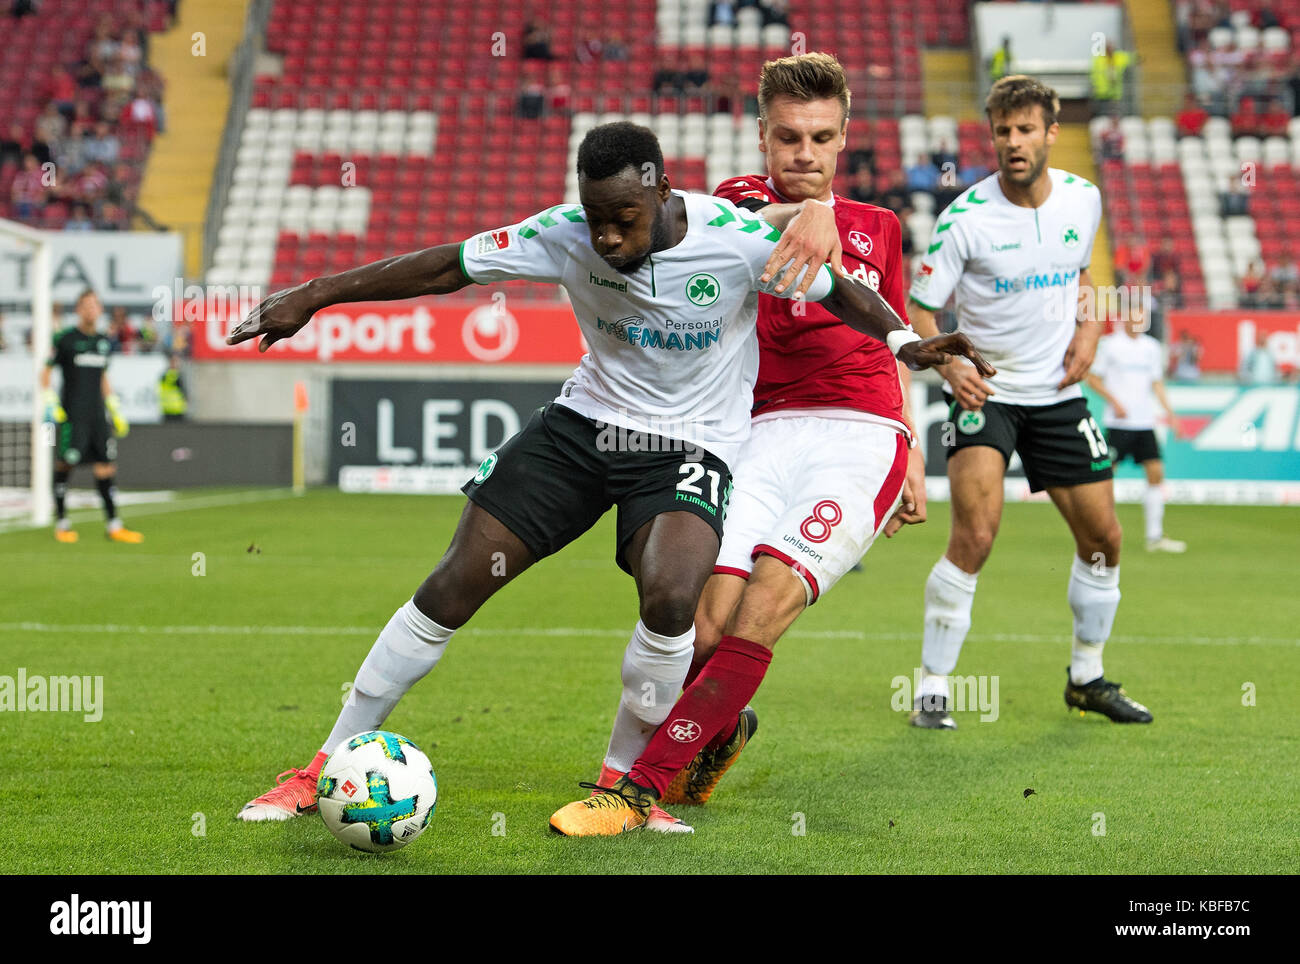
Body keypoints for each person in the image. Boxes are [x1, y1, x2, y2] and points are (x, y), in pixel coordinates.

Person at [231, 121, 984, 823]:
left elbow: (839, 289)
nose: (606, 233)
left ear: (661, 193)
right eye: (595, 215)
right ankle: (321, 764)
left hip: (691, 448)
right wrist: (314, 295)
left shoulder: (732, 238)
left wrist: (904, 344)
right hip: (584, 429)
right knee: (453, 582)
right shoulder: (563, 233)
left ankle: (623, 785)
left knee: (671, 600)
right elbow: (444, 266)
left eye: (622, 216)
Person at [549, 53, 979, 836]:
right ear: (762, 138)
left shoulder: (882, 227)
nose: (804, 155)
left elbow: (887, 336)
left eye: (820, 138)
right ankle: (723, 728)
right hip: (756, 434)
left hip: (859, 437)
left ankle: (634, 790)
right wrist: (810, 214)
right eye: (788, 138)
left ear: (844, 138)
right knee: (701, 626)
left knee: (759, 617)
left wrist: (912, 444)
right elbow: (743, 227)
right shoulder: (729, 206)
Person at [905, 75, 1152, 729]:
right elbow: (921, 309)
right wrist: (950, 362)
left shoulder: (1083, 200)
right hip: (987, 391)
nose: (1013, 142)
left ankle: (1087, 676)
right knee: (976, 536)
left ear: (1051, 134)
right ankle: (932, 687)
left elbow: (1081, 275)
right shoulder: (965, 218)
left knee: (1104, 539)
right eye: (1001, 131)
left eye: (1024, 129)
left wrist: (1092, 326)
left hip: (1057, 394)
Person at [38, 288, 142, 544]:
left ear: (99, 310)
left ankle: (114, 525)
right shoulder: (65, 339)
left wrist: (114, 406)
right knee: (66, 463)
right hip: (73, 415)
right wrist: (49, 400)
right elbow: (46, 372)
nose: (90, 309)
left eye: (95, 305)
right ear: (78, 309)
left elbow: (103, 376)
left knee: (106, 465)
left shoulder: (102, 341)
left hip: (97, 415)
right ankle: (62, 523)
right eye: (86, 305)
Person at [1086, 313, 1186, 553]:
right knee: (1105, 477)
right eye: (1133, 317)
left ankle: (1154, 536)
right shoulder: (1111, 345)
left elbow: (1157, 383)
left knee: (1155, 473)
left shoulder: (1151, 348)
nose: (1137, 322)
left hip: (1144, 422)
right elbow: (1093, 379)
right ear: (1125, 318)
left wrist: (1170, 413)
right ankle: (1096, 531)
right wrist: (1115, 402)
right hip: (1119, 423)